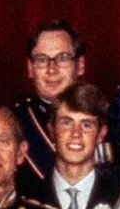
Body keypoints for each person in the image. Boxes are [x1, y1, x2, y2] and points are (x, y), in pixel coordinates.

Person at [19, 83, 120, 209]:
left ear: (101, 134)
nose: (76, 134)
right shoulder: (26, 196)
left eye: (86, 125)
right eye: (66, 122)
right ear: (51, 130)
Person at [13, 20, 102, 184]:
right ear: (30, 68)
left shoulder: (107, 118)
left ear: (80, 65)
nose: (51, 69)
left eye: (63, 58)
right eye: (41, 59)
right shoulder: (12, 123)